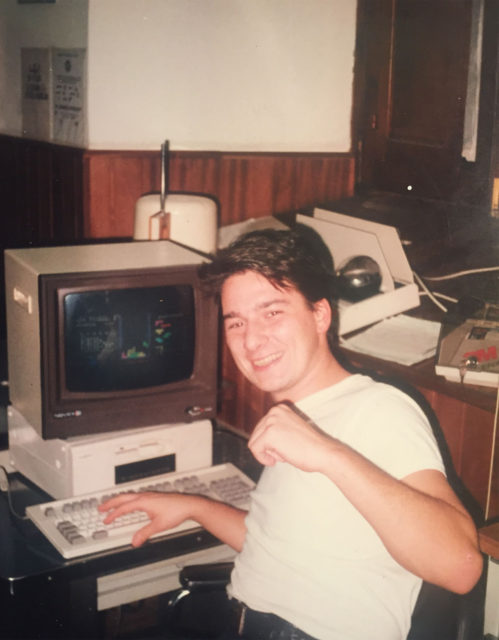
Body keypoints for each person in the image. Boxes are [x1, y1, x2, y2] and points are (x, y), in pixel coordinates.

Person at [99, 226, 483, 640]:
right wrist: (195, 507)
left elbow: (460, 568)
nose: (251, 340)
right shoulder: (297, 416)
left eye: (272, 313)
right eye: (236, 323)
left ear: (320, 315)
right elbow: (276, 546)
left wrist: (328, 454)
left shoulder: (379, 409)